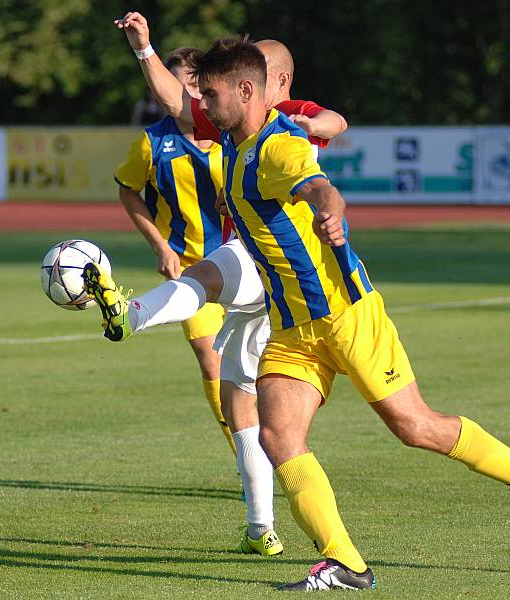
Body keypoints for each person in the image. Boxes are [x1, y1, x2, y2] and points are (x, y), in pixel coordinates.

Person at [87, 35, 510, 592]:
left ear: (246, 91)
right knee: (278, 438)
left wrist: (333, 214)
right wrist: (144, 50)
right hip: (294, 329)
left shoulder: (278, 145)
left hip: (348, 315)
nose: (200, 102)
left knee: (415, 427)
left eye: (211, 93)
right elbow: (175, 102)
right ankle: (344, 560)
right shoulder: (226, 134)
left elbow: (322, 188)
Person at [101, 13, 347, 557]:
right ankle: (260, 526)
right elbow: (175, 103)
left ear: (271, 81)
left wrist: (318, 126)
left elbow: (332, 119)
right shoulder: (234, 123)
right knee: (242, 397)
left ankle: (131, 313)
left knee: (206, 275)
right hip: (265, 276)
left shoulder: (282, 116)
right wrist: (144, 50)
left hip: (278, 265)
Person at [114, 47, 236, 460]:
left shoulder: (231, 133)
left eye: (197, 83)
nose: (191, 91)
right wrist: (160, 245)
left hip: (245, 264)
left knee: (261, 367)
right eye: (183, 82)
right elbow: (128, 190)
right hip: (190, 270)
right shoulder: (152, 143)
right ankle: (244, 457)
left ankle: (271, 444)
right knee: (213, 363)